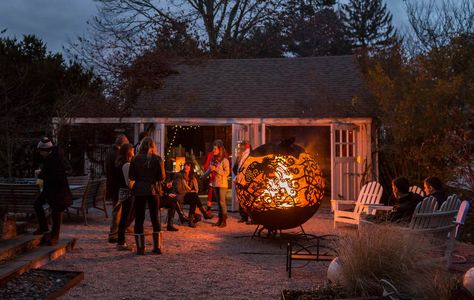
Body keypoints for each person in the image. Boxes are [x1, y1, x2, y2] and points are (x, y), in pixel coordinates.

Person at [128, 137, 165, 255]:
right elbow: (161, 177)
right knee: (155, 218)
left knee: (139, 218)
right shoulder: (157, 159)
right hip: (153, 190)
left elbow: (132, 176)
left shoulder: (135, 159)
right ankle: (157, 247)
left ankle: (140, 248)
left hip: (139, 190)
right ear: (153, 146)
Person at [33, 137, 72, 246]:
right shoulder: (52, 156)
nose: (40, 153)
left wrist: (40, 174)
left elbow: (52, 173)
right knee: (37, 204)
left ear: (46, 150)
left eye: (41, 151)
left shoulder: (55, 158)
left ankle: (55, 235)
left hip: (57, 190)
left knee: (56, 211)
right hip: (49, 188)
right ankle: (44, 228)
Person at [106, 134, 129, 243]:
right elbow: (118, 170)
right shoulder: (117, 154)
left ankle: (118, 229)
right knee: (117, 209)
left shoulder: (110, 152)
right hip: (117, 185)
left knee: (117, 208)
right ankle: (114, 233)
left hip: (112, 184)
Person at [176, 162, 213, 228]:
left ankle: (191, 220)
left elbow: (196, 189)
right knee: (194, 196)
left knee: (194, 198)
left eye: (188, 166)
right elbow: (179, 190)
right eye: (185, 165)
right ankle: (204, 213)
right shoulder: (180, 176)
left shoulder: (192, 177)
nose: (186, 167)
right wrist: (189, 192)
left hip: (190, 197)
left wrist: (191, 192)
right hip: (181, 196)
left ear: (191, 168)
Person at [204, 140, 230, 228]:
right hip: (215, 183)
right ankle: (219, 220)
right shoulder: (213, 159)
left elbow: (227, 173)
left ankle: (224, 221)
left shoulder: (224, 160)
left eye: (215, 149)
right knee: (218, 203)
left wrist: (216, 169)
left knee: (222, 202)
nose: (213, 150)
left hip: (222, 184)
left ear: (220, 149)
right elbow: (209, 169)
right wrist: (203, 176)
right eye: (213, 148)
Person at [116, 144, 135, 250]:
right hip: (127, 193)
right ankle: (121, 242)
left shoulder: (121, 163)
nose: (134, 151)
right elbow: (129, 182)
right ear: (128, 151)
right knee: (125, 217)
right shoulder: (126, 164)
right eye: (132, 150)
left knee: (125, 216)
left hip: (123, 192)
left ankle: (121, 239)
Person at [232, 140, 252, 224]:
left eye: (242, 146)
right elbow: (237, 167)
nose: (240, 147)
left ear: (247, 145)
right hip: (241, 179)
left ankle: (251, 217)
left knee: (249, 199)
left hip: (247, 179)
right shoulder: (241, 155)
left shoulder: (250, 154)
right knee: (241, 198)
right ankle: (244, 216)